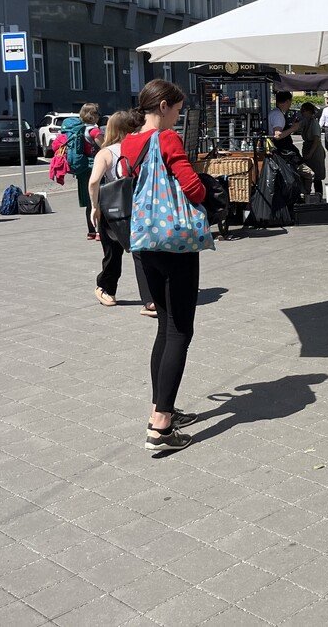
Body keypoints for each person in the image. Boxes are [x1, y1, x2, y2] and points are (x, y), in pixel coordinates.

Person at [122, 79, 205, 453]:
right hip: (174, 243)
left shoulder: (129, 141)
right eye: (177, 109)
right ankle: (161, 426)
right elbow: (194, 188)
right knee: (180, 331)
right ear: (165, 106)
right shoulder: (166, 139)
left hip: (144, 243)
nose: (178, 115)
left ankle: (160, 408)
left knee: (164, 329)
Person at [88, 110, 153, 311]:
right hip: (137, 206)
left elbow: (93, 181)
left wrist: (94, 206)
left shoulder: (106, 152)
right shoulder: (139, 148)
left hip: (112, 209)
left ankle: (107, 289)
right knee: (141, 253)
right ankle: (150, 299)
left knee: (112, 253)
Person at [64, 103, 104, 239]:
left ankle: (91, 231)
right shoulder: (94, 131)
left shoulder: (79, 129)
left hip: (82, 168)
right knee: (98, 200)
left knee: (89, 202)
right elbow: (105, 147)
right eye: (97, 113)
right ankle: (100, 231)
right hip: (94, 167)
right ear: (93, 116)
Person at [297, 102, 326, 195]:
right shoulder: (306, 121)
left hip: (315, 151)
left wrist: (310, 153)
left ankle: (319, 195)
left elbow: (316, 140)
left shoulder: (314, 122)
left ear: (309, 111)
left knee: (317, 175)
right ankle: (307, 194)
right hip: (307, 147)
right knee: (307, 174)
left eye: (303, 111)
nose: (302, 112)